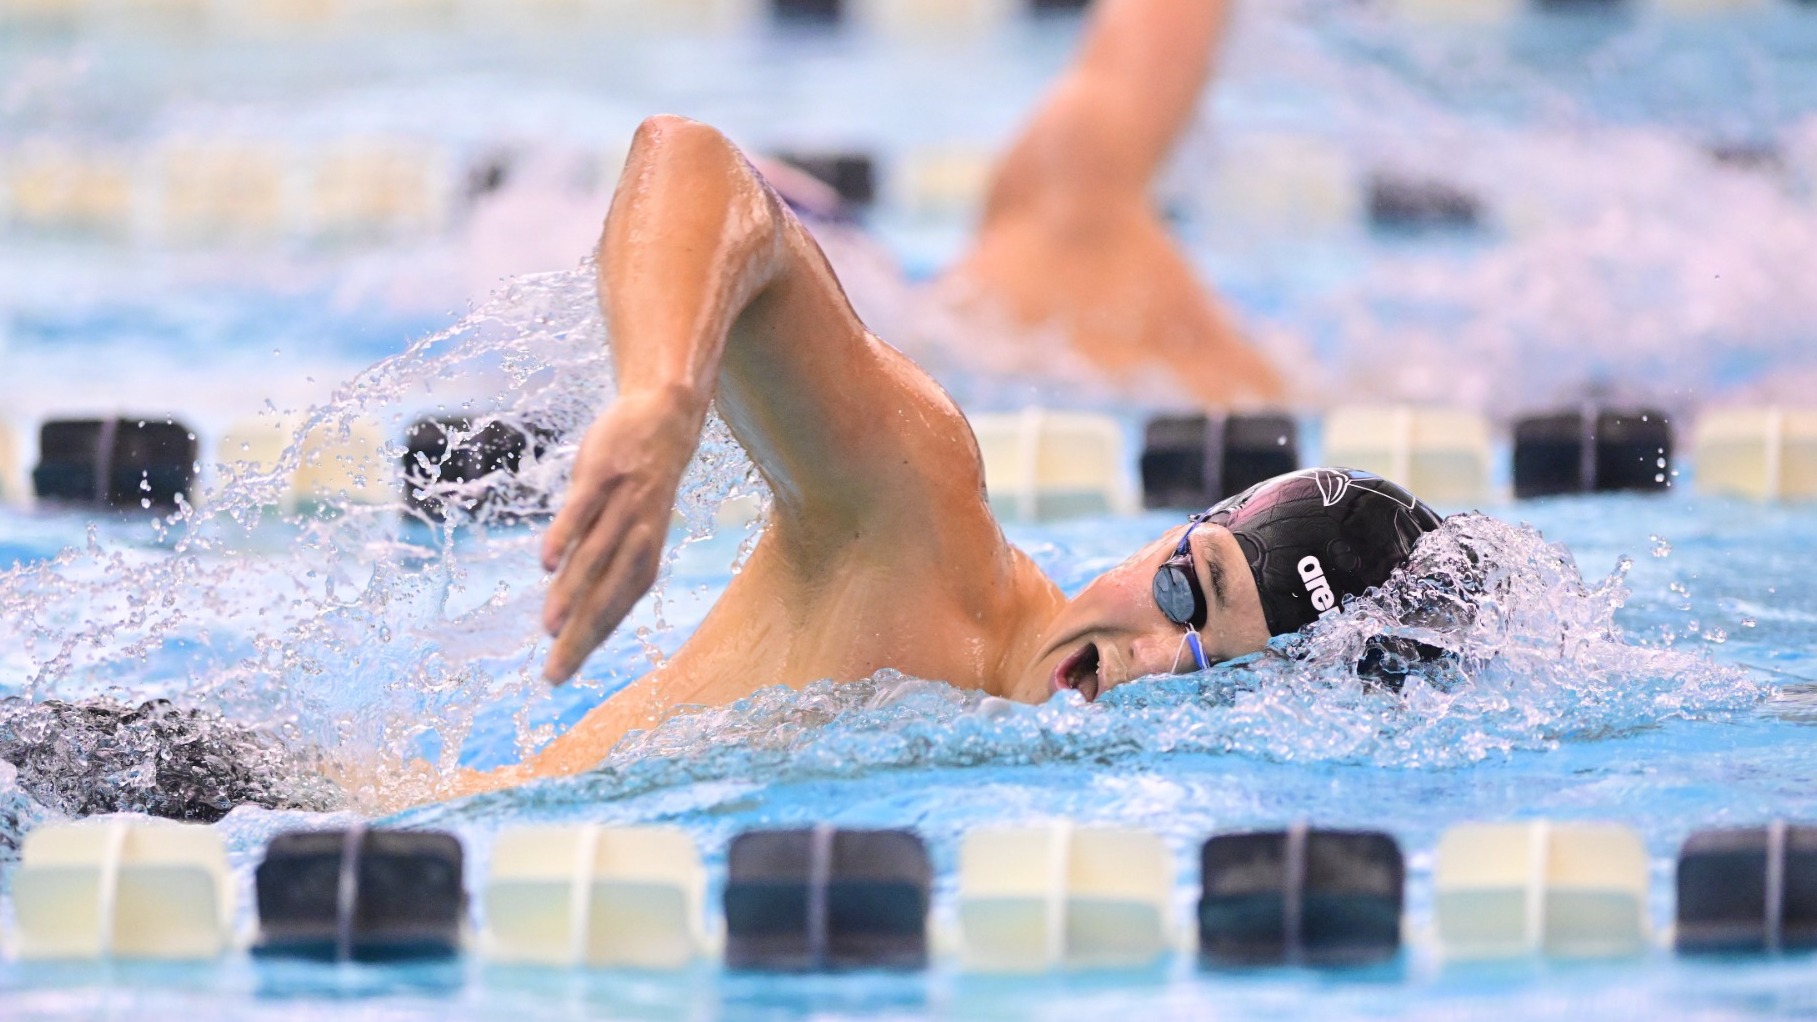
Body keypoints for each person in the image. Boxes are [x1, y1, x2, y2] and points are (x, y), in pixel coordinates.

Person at [456, 103, 1439, 796]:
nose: (1135, 663)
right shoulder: (917, 531)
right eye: (1184, 590)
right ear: (1167, 538)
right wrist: (664, 394)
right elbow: (694, 163)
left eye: (1210, 676)